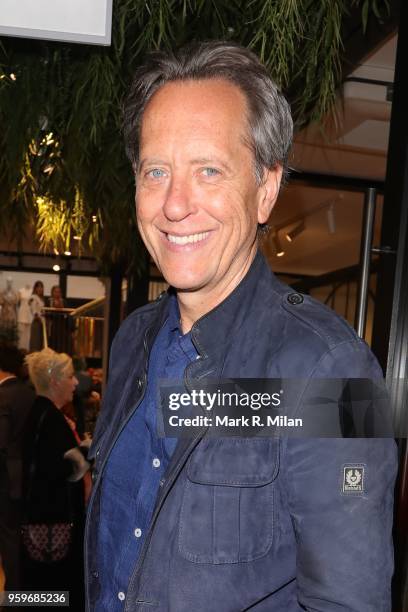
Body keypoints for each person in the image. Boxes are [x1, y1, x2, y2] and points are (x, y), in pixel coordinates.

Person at [85, 42, 397, 611]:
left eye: (209, 170)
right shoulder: (133, 339)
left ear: (266, 189)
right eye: (156, 171)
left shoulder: (336, 373)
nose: (175, 205)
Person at [22, 348, 90, 608]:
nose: (75, 382)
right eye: (70, 376)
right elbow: (66, 468)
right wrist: (90, 449)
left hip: (46, 524)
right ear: (54, 380)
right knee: (56, 594)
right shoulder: (49, 418)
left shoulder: (42, 413)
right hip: (55, 526)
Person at [0, 343, 35, 591]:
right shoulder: (29, 393)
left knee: (9, 536)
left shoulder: (3, 397)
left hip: (6, 478)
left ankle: (15, 593)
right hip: (29, 475)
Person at [28, 281, 45, 352]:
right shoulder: (33, 297)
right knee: (35, 342)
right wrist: (38, 318)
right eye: (38, 287)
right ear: (35, 288)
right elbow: (33, 310)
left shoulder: (41, 298)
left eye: (41, 287)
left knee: (40, 343)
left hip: (42, 322)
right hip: (36, 322)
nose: (40, 288)